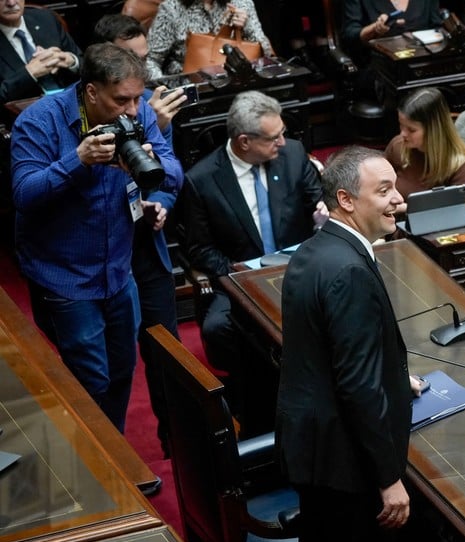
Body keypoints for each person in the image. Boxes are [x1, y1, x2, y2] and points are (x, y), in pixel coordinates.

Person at [12, 42, 183, 433]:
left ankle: (114, 449)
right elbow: (24, 194)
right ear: (91, 91)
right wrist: (79, 160)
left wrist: (152, 165)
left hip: (119, 271)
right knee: (90, 381)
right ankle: (96, 459)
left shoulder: (137, 113)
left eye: (137, 99)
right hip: (65, 277)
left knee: (122, 372)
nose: (133, 110)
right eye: (121, 100)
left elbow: (173, 173)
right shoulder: (40, 121)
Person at [276, 145, 425, 542]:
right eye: (384, 190)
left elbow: (326, 352)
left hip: (314, 448)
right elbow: (357, 386)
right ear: (346, 200)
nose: (398, 199)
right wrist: (389, 479)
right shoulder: (350, 271)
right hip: (344, 464)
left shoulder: (313, 250)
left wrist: (393, 378)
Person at [180, 90, 327, 426]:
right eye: (274, 138)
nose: (282, 143)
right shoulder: (202, 180)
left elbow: (316, 201)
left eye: (282, 133)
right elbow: (199, 249)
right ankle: (257, 399)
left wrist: (322, 212)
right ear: (244, 141)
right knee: (218, 328)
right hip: (240, 279)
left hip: (300, 269)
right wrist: (242, 275)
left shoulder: (293, 155)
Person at [94, 13, 189, 457]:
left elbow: (171, 173)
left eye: (143, 60)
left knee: (167, 351)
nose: (140, 73)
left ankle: (179, 444)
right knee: (108, 367)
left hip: (143, 243)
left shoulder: (145, 107)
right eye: (128, 60)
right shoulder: (67, 117)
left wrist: (161, 202)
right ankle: (110, 457)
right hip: (96, 257)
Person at [384, 86, 465, 203]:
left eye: (411, 130)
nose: (403, 134)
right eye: (401, 125)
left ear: (434, 131)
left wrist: (407, 208)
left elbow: (462, 209)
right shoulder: (398, 146)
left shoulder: (460, 163)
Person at [145, 0, 274, 79]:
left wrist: (247, 26)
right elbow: (150, 60)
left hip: (238, 83)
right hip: (191, 87)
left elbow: (268, 55)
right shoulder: (172, 8)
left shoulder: (241, 3)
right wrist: (167, 89)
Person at [342, 0, 442, 100]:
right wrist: (375, 29)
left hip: (422, 65)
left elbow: (437, 27)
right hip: (378, 66)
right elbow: (350, 35)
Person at [0, 0, 82, 104]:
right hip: (26, 111)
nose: (11, 3)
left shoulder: (45, 18)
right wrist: (29, 73)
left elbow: (87, 64)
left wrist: (72, 61)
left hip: (73, 100)